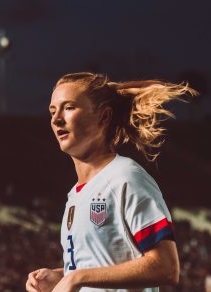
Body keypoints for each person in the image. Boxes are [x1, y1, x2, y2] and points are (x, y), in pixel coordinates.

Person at [25, 72, 197, 292]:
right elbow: (101, 265)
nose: (57, 118)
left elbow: (166, 267)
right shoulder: (75, 194)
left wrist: (77, 277)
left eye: (69, 108)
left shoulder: (126, 177)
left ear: (104, 117)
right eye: (52, 111)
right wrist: (60, 275)